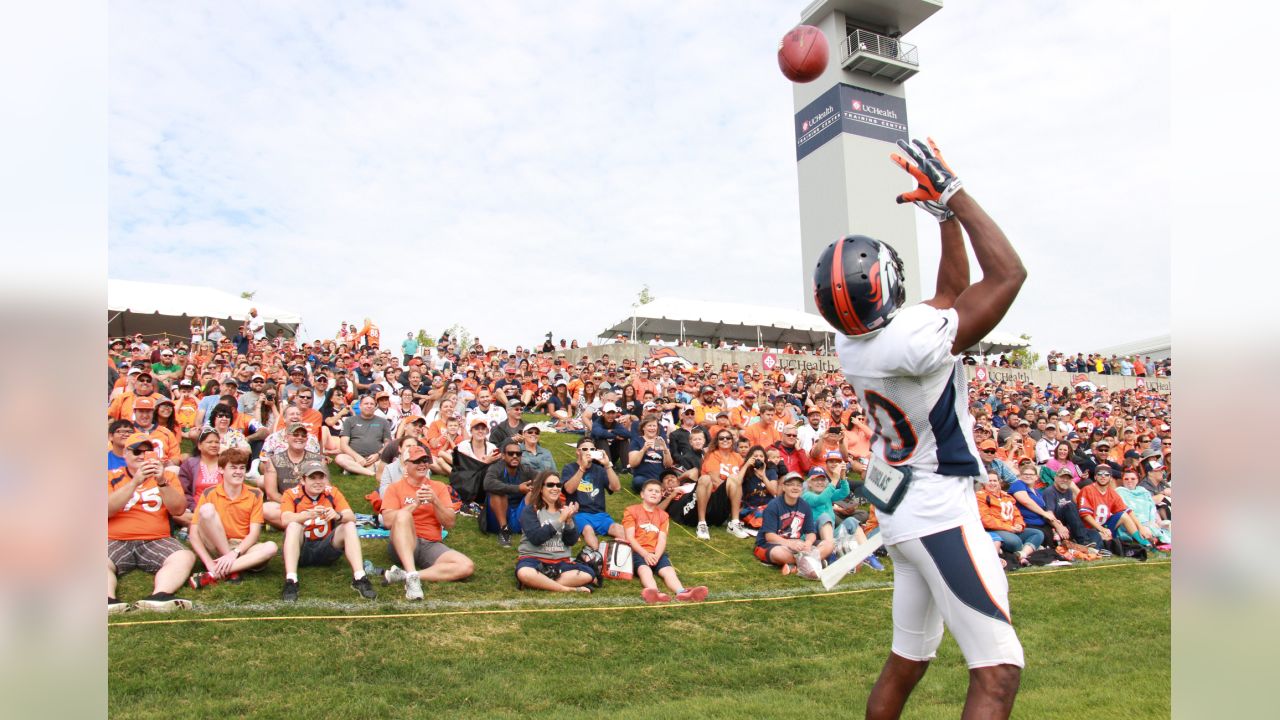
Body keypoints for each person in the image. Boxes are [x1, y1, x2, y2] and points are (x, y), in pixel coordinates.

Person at [815, 137, 1027, 718]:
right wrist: (956, 197)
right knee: (998, 670)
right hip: (935, 509)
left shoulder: (855, 343)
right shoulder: (906, 341)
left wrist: (944, 223)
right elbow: (1008, 274)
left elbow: (950, 295)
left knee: (908, 659)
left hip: (903, 505)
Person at [108, 433, 196, 613]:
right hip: (114, 538)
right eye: (136, 452)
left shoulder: (167, 477)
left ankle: (160, 596)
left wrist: (162, 482)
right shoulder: (110, 476)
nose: (142, 455)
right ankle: (107, 600)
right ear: (125, 454)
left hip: (156, 539)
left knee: (184, 556)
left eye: (147, 451)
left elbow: (178, 509)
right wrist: (135, 482)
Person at [380, 446, 475, 600]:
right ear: (406, 464)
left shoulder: (438, 487)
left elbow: (450, 523)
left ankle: (409, 575)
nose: (422, 464)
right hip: (403, 542)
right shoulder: (395, 488)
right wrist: (415, 504)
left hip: (430, 544)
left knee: (466, 566)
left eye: (425, 460)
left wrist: (435, 501)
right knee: (404, 516)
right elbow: (388, 521)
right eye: (417, 461)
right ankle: (412, 578)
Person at [278, 459, 377, 601]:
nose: (318, 481)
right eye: (312, 477)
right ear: (303, 480)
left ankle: (360, 577)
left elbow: (351, 516)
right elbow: (285, 519)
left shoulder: (332, 492)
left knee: (348, 524)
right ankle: (291, 580)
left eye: (321, 477)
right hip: (301, 549)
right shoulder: (291, 494)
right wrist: (306, 515)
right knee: (293, 525)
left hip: (326, 548)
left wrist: (338, 515)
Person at [188, 448, 279, 588]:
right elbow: (194, 534)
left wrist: (235, 553)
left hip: (242, 548)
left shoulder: (255, 493)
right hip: (215, 544)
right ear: (221, 470)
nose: (238, 471)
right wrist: (208, 562)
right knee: (206, 510)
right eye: (233, 467)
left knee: (271, 547)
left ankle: (215, 574)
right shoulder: (209, 492)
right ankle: (230, 567)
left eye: (242, 468)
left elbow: (254, 534)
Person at [623, 478, 709, 604]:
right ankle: (653, 592)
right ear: (642, 494)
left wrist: (656, 555)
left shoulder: (663, 515)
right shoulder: (631, 511)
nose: (654, 493)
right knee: (644, 569)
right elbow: (629, 537)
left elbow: (662, 538)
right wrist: (645, 554)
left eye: (657, 491)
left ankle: (682, 592)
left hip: (657, 552)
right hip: (637, 551)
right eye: (650, 490)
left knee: (668, 570)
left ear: (662, 495)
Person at [515, 471, 597, 593]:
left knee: (588, 573)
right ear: (541, 488)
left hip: (560, 563)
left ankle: (539, 583)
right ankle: (567, 589)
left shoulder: (564, 510)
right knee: (524, 573)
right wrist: (560, 521)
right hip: (534, 560)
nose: (555, 488)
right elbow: (536, 538)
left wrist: (569, 522)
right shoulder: (530, 510)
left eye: (558, 485)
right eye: (550, 485)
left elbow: (571, 541)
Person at [754, 472, 830, 578]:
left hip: (798, 545)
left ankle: (797, 565)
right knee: (778, 553)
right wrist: (789, 543)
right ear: (784, 487)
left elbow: (811, 532)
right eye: (791, 484)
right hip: (774, 544)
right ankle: (812, 563)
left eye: (798, 485)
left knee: (829, 544)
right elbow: (769, 536)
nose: (795, 488)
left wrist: (808, 543)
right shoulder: (773, 505)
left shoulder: (805, 506)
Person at [562, 437, 624, 551]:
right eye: (584, 449)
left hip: (600, 514)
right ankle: (597, 555)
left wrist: (607, 465)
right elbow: (569, 489)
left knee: (619, 529)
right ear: (577, 451)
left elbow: (616, 487)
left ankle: (628, 556)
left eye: (592, 449)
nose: (588, 451)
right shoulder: (569, 468)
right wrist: (582, 468)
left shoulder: (599, 469)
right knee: (588, 530)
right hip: (580, 514)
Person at [261, 422, 326, 529]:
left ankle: (295, 525)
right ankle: (307, 525)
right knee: (266, 509)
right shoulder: (273, 461)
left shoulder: (318, 459)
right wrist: (295, 505)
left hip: (313, 504)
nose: (299, 438)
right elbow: (272, 493)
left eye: (303, 435)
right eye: (295, 434)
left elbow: (325, 488)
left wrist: (310, 506)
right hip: (286, 504)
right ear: (287, 437)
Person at [975, 472, 1043, 567]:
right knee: (1015, 542)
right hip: (996, 530)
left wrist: (1019, 525)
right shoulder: (980, 496)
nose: (992, 483)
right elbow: (986, 519)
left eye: (995, 480)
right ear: (983, 483)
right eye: (989, 481)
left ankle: (1022, 554)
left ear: (999, 483)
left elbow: (1016, 514)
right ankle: (1027, 548)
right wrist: (1009, 528)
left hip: (1012, 529)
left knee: (1037, 533)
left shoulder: (1006, 496)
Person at [696, 429, 749, 540]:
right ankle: (701, 524)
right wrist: (731, 490)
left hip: (732, 498)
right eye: (721, 438)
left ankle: (734, 523)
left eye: (728, 438)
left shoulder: (737, 457)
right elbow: (715, 480)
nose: (725, 440)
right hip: (713, 497)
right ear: (717, 441)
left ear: (732, 440)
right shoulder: (712, 455)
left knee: (735, 479)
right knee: (705, 479)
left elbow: (743, 479)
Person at [483, 439, 538, 547]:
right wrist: (517, 488)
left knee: (534, 491)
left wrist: (536, 484)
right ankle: (504, 530)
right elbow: (487, 484)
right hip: (498, 514)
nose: (514, 456)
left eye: (518, 454)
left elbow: (542, 478)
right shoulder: (496, 468)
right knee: (498, 492)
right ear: (503, 456)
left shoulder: (525, 469)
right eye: (510, 453)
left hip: (518, 512)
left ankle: (539, 524)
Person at [335, 395, 391, 477]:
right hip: (353, 457)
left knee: (389, 462)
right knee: (339, 458)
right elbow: (343, 445)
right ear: (360, 406)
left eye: (372, 404)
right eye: (366, 403)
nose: (369, 406)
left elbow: (388, 443)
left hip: (376, 458)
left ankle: (353, 469)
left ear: (375, 407)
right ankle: (371, 472)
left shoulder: (383, 422)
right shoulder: (349, 421)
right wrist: (357, 457)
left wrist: (378, 455)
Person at [1116, 469, 1171, 548]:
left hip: (1149, 522)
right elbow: (1124, 512)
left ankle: (1155, 539)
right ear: (1122, 480)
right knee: (1149, 532)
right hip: (1132, 524)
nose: (1129, 481)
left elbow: (1152, 509)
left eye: (1133, 478)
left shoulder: (1144, 492)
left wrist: (1155, 522)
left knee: (1169, 525)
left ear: (1137, 480)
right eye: (1126, 479)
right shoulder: (1119, 492)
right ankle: (1149, 542)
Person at [627, 413, 673, 492]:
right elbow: (632, 463)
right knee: (638, 482)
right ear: (643, 427)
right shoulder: (637, 441)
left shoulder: (660, 441)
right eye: (649, 425)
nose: (652, 428)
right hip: (643, 477)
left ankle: (656, 487)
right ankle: (658, 487)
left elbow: (668, 465)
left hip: (659, 476)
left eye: (654, 426)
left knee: (670, 481)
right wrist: (643, 450)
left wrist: (665, 450)